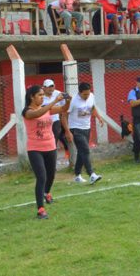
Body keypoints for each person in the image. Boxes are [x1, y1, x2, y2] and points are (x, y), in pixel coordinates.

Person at [22, 84, 70, 219]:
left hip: (50, 146)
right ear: (32, 97)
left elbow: (63, 109)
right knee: (41, 177)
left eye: (43, 95)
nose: (42, 97)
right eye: (40, 95)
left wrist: (68, 100)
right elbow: (38, 113)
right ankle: (40, 209)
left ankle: (46, 193)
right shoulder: (27, 111)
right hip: (35, 149)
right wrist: (54, 101)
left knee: (51, 175)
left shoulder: (45, 108)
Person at [65, 82, 103, 184]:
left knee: (82, 152)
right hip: (75, 129)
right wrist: (67, 131)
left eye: (88, 93)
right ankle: (91, 174)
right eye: (84, 94)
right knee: (85, 150)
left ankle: (77, 175)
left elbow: (93, 108)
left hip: (87, 128)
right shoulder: (73, 100)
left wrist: (99, 117)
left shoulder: (91, 96)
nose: (87, 96)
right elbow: (64, 115)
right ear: (79, 93)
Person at [42, 79, 70, 162]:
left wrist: (64, 121)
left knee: (54, 141)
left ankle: (53, 161)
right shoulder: (41, 96)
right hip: (44, 122)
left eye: (52, 86)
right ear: (44, 88)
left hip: (55, 120)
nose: (51, 88)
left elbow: (64, 108)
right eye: (48, 87)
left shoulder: (58, 94)